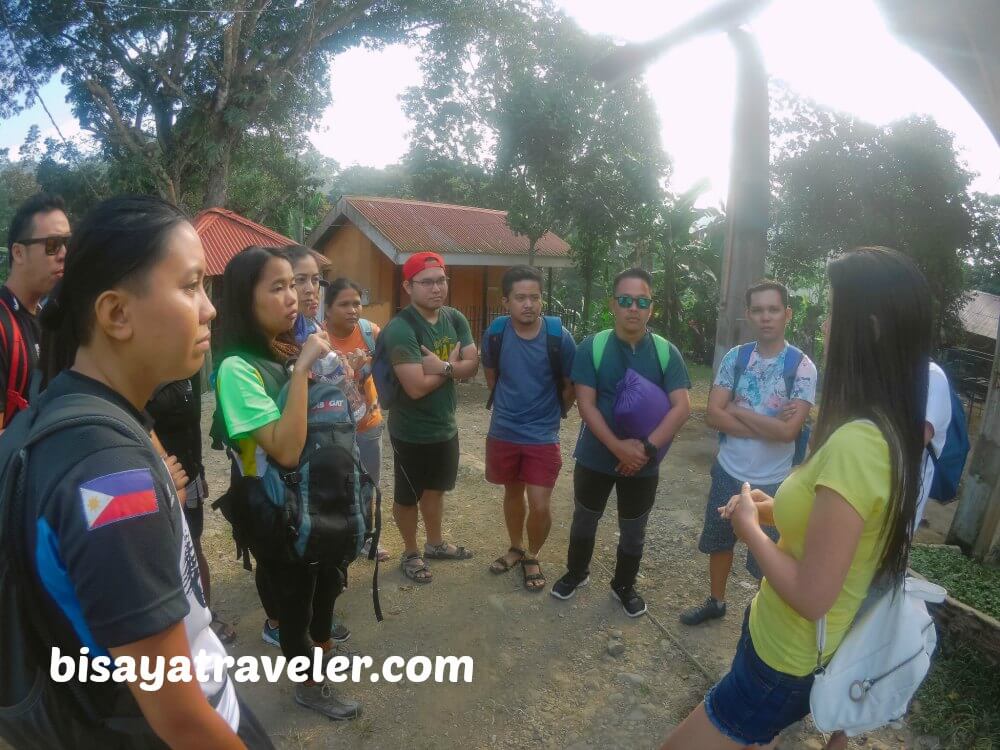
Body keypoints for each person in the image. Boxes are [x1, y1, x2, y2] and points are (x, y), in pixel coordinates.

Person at [14, 196, 271, 747]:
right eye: (190, 286)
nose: (210, 309)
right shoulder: (112, 481)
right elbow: (178, 714)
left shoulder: (61, 407)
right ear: (116, 314)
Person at [662, 247, 932, 750]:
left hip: (786, 658)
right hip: (778, 642)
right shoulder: (885, 430)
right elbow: (835, 529)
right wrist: (770, 505)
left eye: (834, 313)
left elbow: (811, 595)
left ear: (867, 328)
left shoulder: (857, 443)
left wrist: (748, 528)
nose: (825, 327)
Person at [214, 245, 359, 721]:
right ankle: (309, 684)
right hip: (277, 511)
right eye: (276, 287)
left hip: (317, 500)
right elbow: (285, 449)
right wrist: (302, 372)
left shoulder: (288, 348)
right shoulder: (237, 369)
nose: (293, 295)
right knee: (295, 605)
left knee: (327, 585)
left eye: (293, 284)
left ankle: (321, 656)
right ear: (243, 299)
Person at [550, 268, 691, 616]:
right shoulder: (593, 347)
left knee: (634, 527)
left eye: (642, 302)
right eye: (625, 300)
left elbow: (682, 407)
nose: (633, 308)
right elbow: (586, 404)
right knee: (585, 518)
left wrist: (644, 450)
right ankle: (576, 572)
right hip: (596, 455)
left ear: (651, 309)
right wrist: (617, 447)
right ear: (613, 304)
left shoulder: (664, 352)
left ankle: (624, 585)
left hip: (645, 461)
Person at [681, 280, 817, 626]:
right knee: (720, 539)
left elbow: (788, 433)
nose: (766, 317)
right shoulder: (736, 358)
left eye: (773, 309)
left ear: (787, 314)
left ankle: (762, 616)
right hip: (729, 469)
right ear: (748, 315)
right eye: (758, 310)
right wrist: (767, 423)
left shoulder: (801, 368)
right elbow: (713, 415)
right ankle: (716, 600)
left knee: (768, 553)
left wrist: (739, 411)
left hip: (774, 480)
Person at [379, 251, 478, 584]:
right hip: (411, 431)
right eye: (427, 282)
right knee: (407, 496)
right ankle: (410, 552)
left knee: (435, 490)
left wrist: (443, 367)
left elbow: (473, 366)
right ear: (408, 286)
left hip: (445, 427)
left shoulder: (455, 318)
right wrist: (451, 368)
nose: (436, 288)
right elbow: (416, 387)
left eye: (441, 280)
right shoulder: (401, 329)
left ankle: (434, 544)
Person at [483, 265, 576, 592]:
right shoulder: (496, 332)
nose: (528, 304)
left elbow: (570, 385)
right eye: (520, 297)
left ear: (542, 299)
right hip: (504, 430)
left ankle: (532, 554)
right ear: (506, 301)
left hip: (541, 434)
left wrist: (552, 414)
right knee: (512, 492)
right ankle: (515, 546)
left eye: (534, 297)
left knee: (540, 503)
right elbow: (492, 375)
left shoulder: (558, 337)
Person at [146, 373, 237, 644]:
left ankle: (204, 616)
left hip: (188, 474)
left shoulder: (187, 370)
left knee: (193, 546)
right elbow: (136, 421)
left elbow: (194, 425)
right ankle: (170, 628)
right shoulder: (141, 367)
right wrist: (162, 464)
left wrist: (200, 470)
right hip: (154, 481)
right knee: (162, 554)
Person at [325, 277, 389, 562]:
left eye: (356, 303)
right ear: (327, 310)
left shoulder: (371, 333)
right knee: (337, 483)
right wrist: (347, 371)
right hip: (332, 427)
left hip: (368, 423)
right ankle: (338, 537)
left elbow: (386, 369)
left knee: (369, 483)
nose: (353, 310)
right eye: (344, 304)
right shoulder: (319, 339)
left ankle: (366, 538)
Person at [1, 192, 70, 428]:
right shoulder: (3, 326)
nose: (63, 254)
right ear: (18, 253)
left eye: (66, 243)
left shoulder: (48, 318)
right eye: (52, 245)